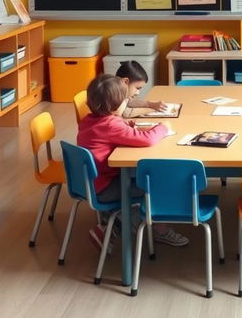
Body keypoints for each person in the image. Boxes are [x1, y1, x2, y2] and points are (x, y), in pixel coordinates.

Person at [77, 74, 189, 250]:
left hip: (90, 181)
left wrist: (130, 124)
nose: (128, 102)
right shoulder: (110, 126)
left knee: (149, 180)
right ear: (115, 105)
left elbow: (113, 126)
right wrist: (162, 127)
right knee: (158, 182)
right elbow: (147, 140)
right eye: (125, 100)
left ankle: (114, 224)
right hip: (105, 187)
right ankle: (160, 231)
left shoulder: (90, 120)